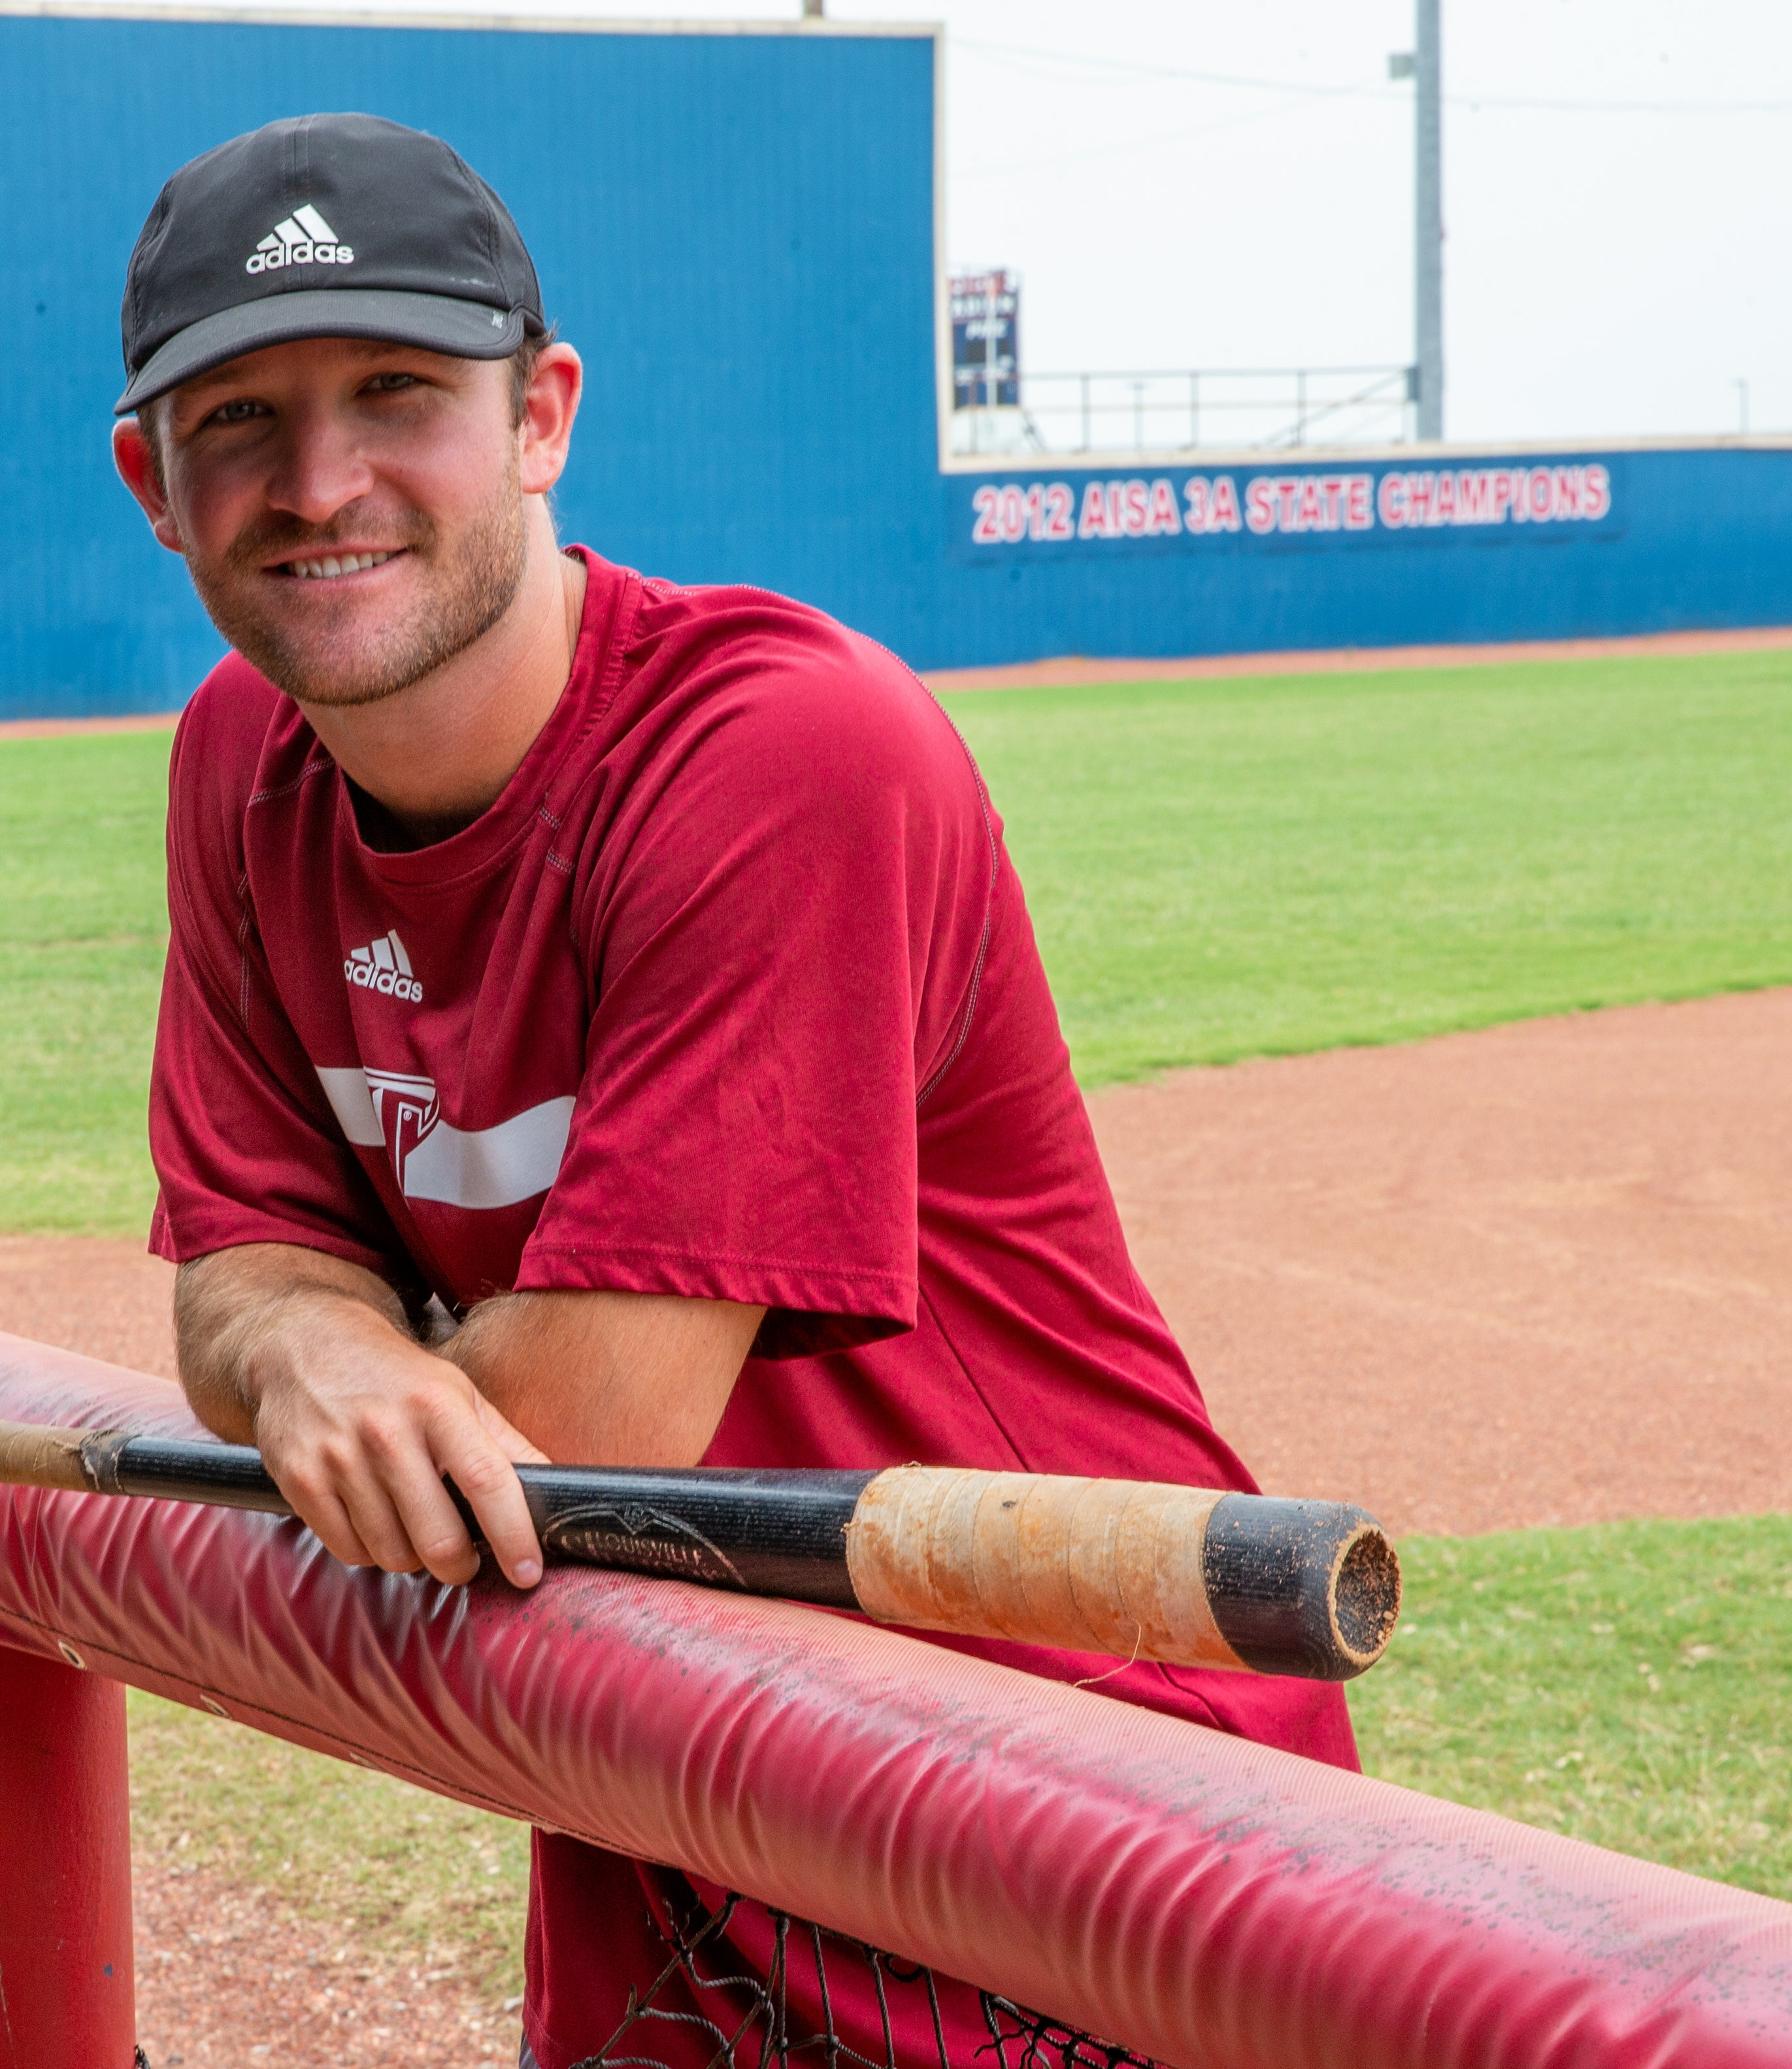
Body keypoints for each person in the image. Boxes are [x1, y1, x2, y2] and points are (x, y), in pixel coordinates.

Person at [110, 112, 1355, 2065]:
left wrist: (347, 1353)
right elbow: (248, 1257)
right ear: (151, 485)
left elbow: (576, 1443)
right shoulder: (237, 761)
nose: (321, 480)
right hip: (668, 1783)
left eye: (395, 394)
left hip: (1065, 1795)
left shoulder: (780, 751)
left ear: (542, 417)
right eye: (239, 423)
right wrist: (310, 1360)